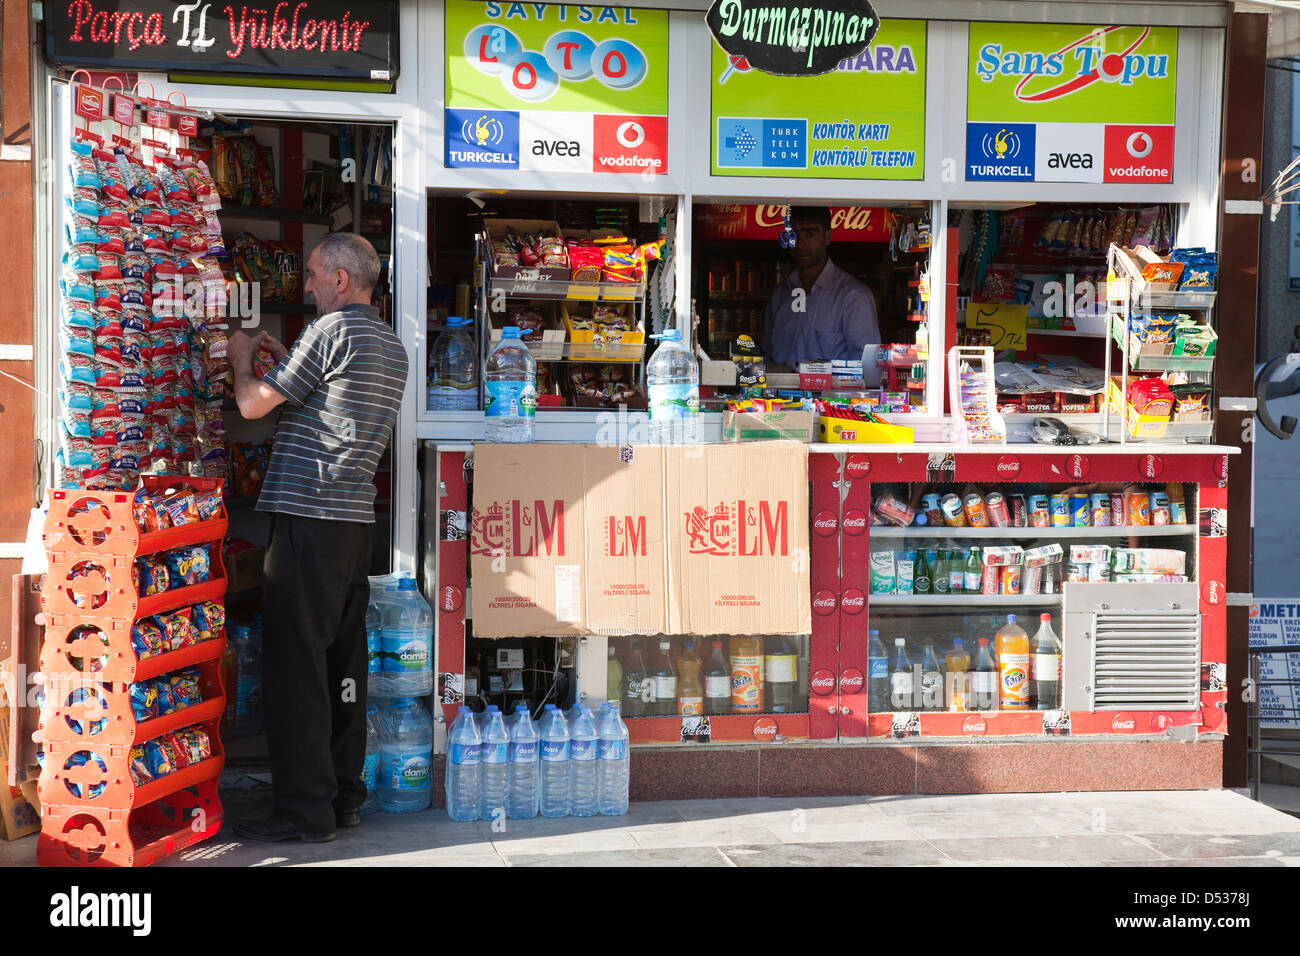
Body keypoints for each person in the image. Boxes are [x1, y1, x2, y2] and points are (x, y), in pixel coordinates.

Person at [228, 233, 409, 843]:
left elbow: (254, 405)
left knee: (295, 665)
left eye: (310, 275)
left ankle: (306, 810)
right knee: (340, 660)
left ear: (339, 280)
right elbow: (328, 403)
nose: (305, 285)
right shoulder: (389, 343)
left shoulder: (332, 333)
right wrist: (288, 357)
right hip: (352, 520)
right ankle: (343, 796)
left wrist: (237, 357)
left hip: (309, 517)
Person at [762, 206, 881, 372]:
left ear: (828, 237)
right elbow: (767, 355)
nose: (800, 243)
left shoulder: (853, 296)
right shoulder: (780, 295)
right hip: (779, 395)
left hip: (833, 397)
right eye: (795, 234)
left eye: (810, 234)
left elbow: (868, 363)